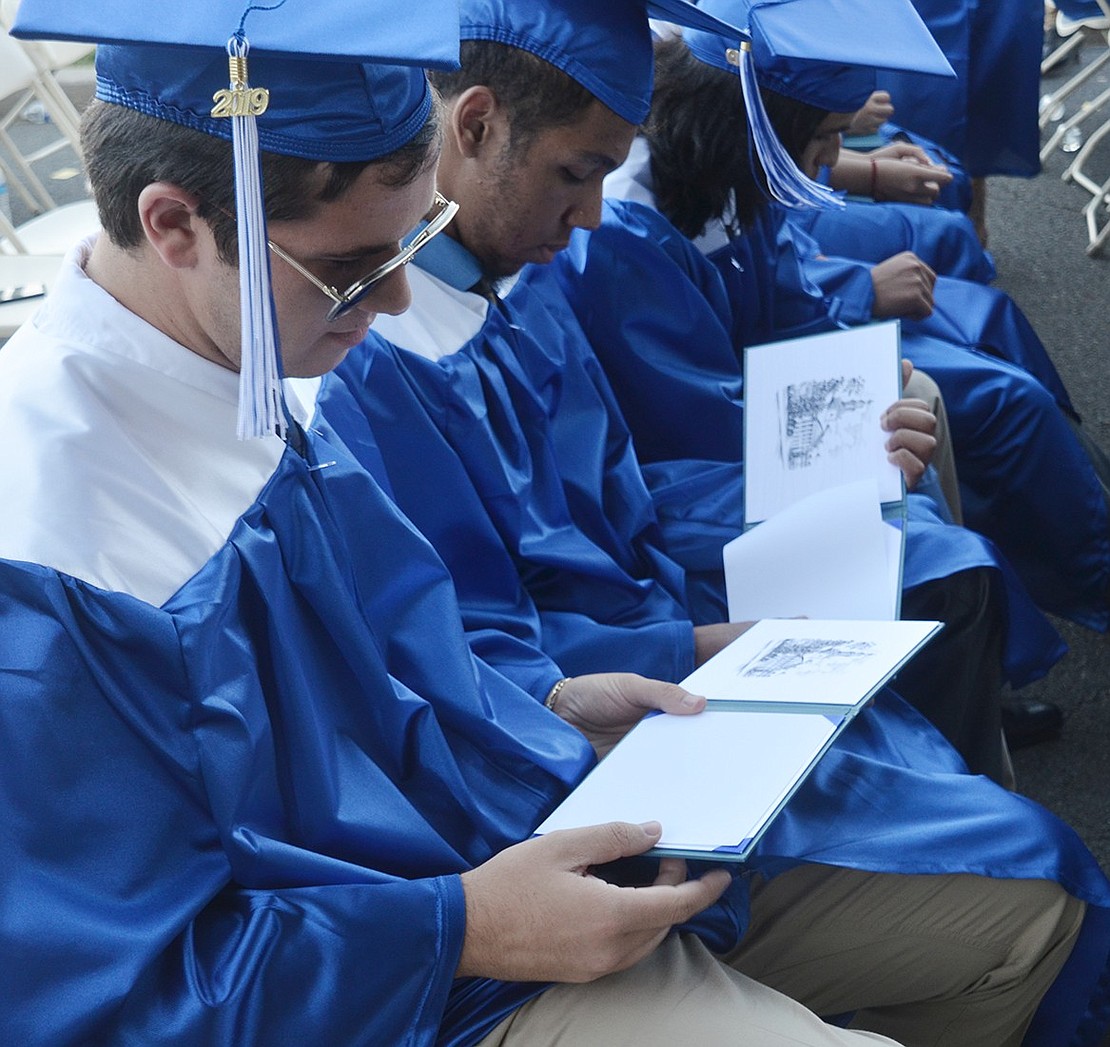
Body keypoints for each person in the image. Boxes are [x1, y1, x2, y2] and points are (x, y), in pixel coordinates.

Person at [5, 2, 1107, 1045]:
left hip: (514, 847)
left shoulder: (251, 365)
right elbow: (120, 994)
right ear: (177, 226)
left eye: (409, 247)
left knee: (1031, 903)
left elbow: (405, 669)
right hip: (396, 988)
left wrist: (550, 699)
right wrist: (467, 927)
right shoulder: (56, 551)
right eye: (353, 269)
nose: (396, 305)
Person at [597, 2, 1110, 639]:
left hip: (747, 410)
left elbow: (789, 303)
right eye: (823, 134)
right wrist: (843, 414)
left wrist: (850, 370)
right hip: (691, 475)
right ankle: (970, 658)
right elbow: (691, 416)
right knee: (934, 508)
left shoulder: (723, 165)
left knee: (929, 399)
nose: (833, 154)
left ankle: (984, 651)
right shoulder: (626, 228)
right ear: (759, 123)